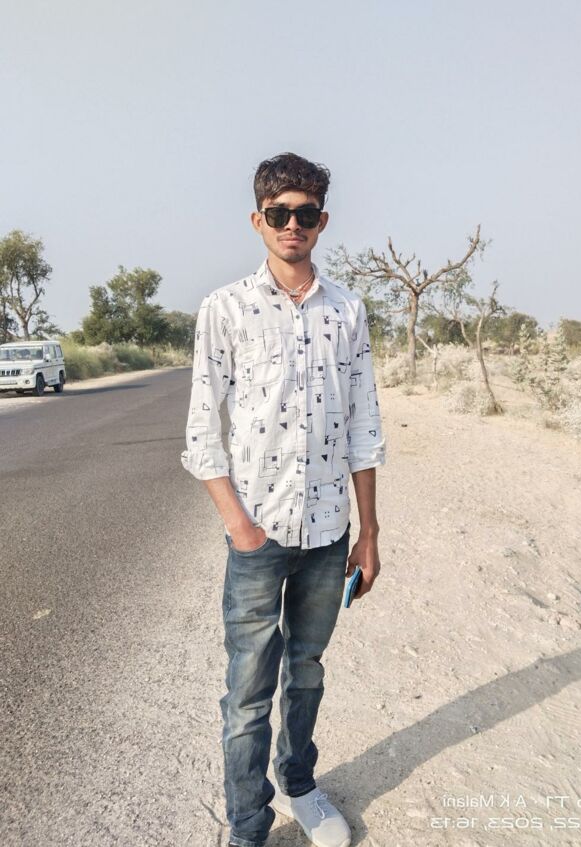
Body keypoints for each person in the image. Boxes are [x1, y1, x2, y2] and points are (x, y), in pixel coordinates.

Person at [181, 152, 386, 847]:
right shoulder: (225, 308)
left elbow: (364, 426)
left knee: (306, 672)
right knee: (246, 692)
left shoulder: (348, 310)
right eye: (279, 213)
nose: (292, 224)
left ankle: (299, 783)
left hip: (329, 534)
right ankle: (247, 825)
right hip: (258, 535)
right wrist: (238, 525)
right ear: (258, 220)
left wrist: (368, 532)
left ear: (322, 221)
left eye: (305, 213)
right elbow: (202, 429)